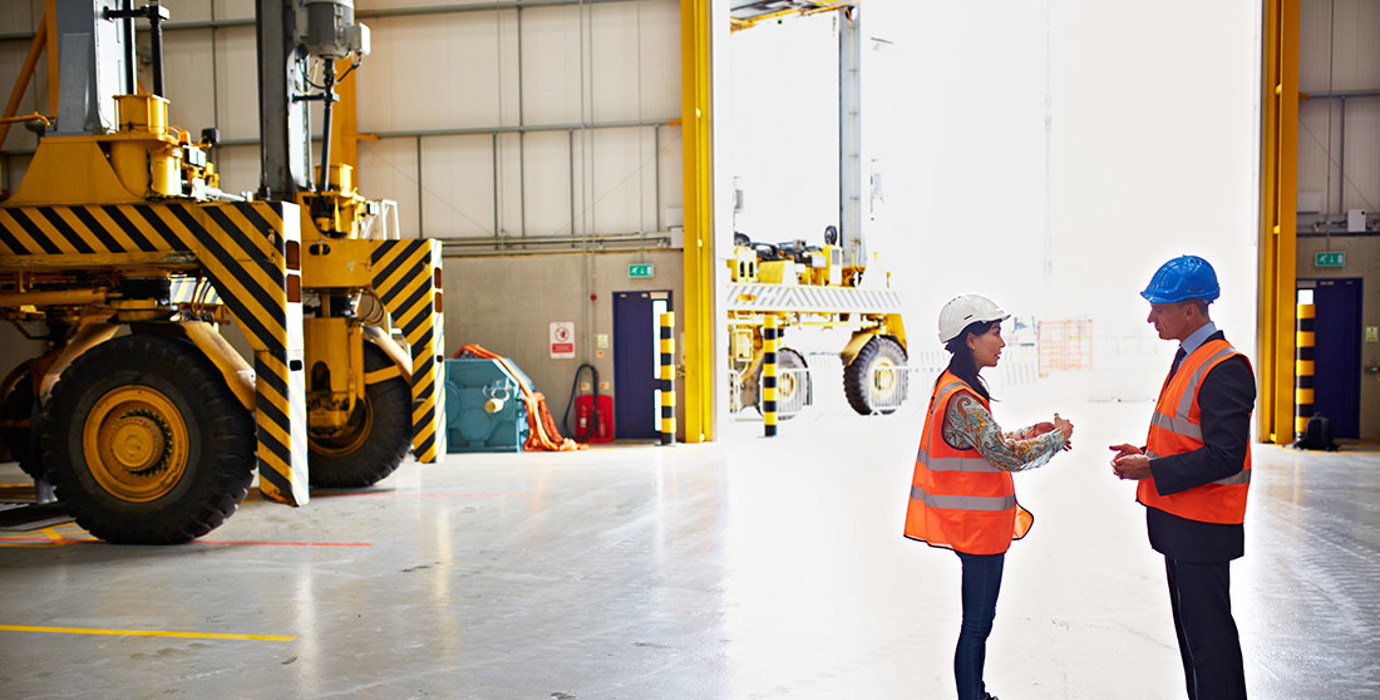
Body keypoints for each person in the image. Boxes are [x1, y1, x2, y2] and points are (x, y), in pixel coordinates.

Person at [904, 294, 1074, 700]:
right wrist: (1057, 437)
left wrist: (1029, 433)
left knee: (977, 623)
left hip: (973, 528)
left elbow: (985, 444)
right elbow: (1003, 455)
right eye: (995, 333)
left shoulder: (954, 388)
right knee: (977, 625)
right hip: (977, 530)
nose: (1002, 343)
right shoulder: (961, 397)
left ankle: (975, 694)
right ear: (970, 338)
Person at [1109, 255, 1254, 700]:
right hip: (1183, 522)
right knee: (1196, 640)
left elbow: (1224, 456)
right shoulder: (1191, 358)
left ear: (1191, 311)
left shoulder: (1223, 366)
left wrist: (1152, 469)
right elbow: (1188, 438)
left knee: (1210, 643)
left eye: (1160, 307)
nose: (1151, 316)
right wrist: (1149, 453)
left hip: (1204, 526)